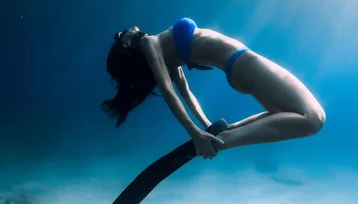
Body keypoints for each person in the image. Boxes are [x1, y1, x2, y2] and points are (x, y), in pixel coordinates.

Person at [102, 17, 326, 160]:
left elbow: (185, 92)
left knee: (291, 116)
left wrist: (206, 127)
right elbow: (169, 91)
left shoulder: (163, 50)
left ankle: (221, 135)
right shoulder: (149, 43)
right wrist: (195, 133)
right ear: (127, 47)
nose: (129, 30)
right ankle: (224, 141)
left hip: (239, 66)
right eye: (123, 36)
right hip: (242, 62)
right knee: (313, 118)